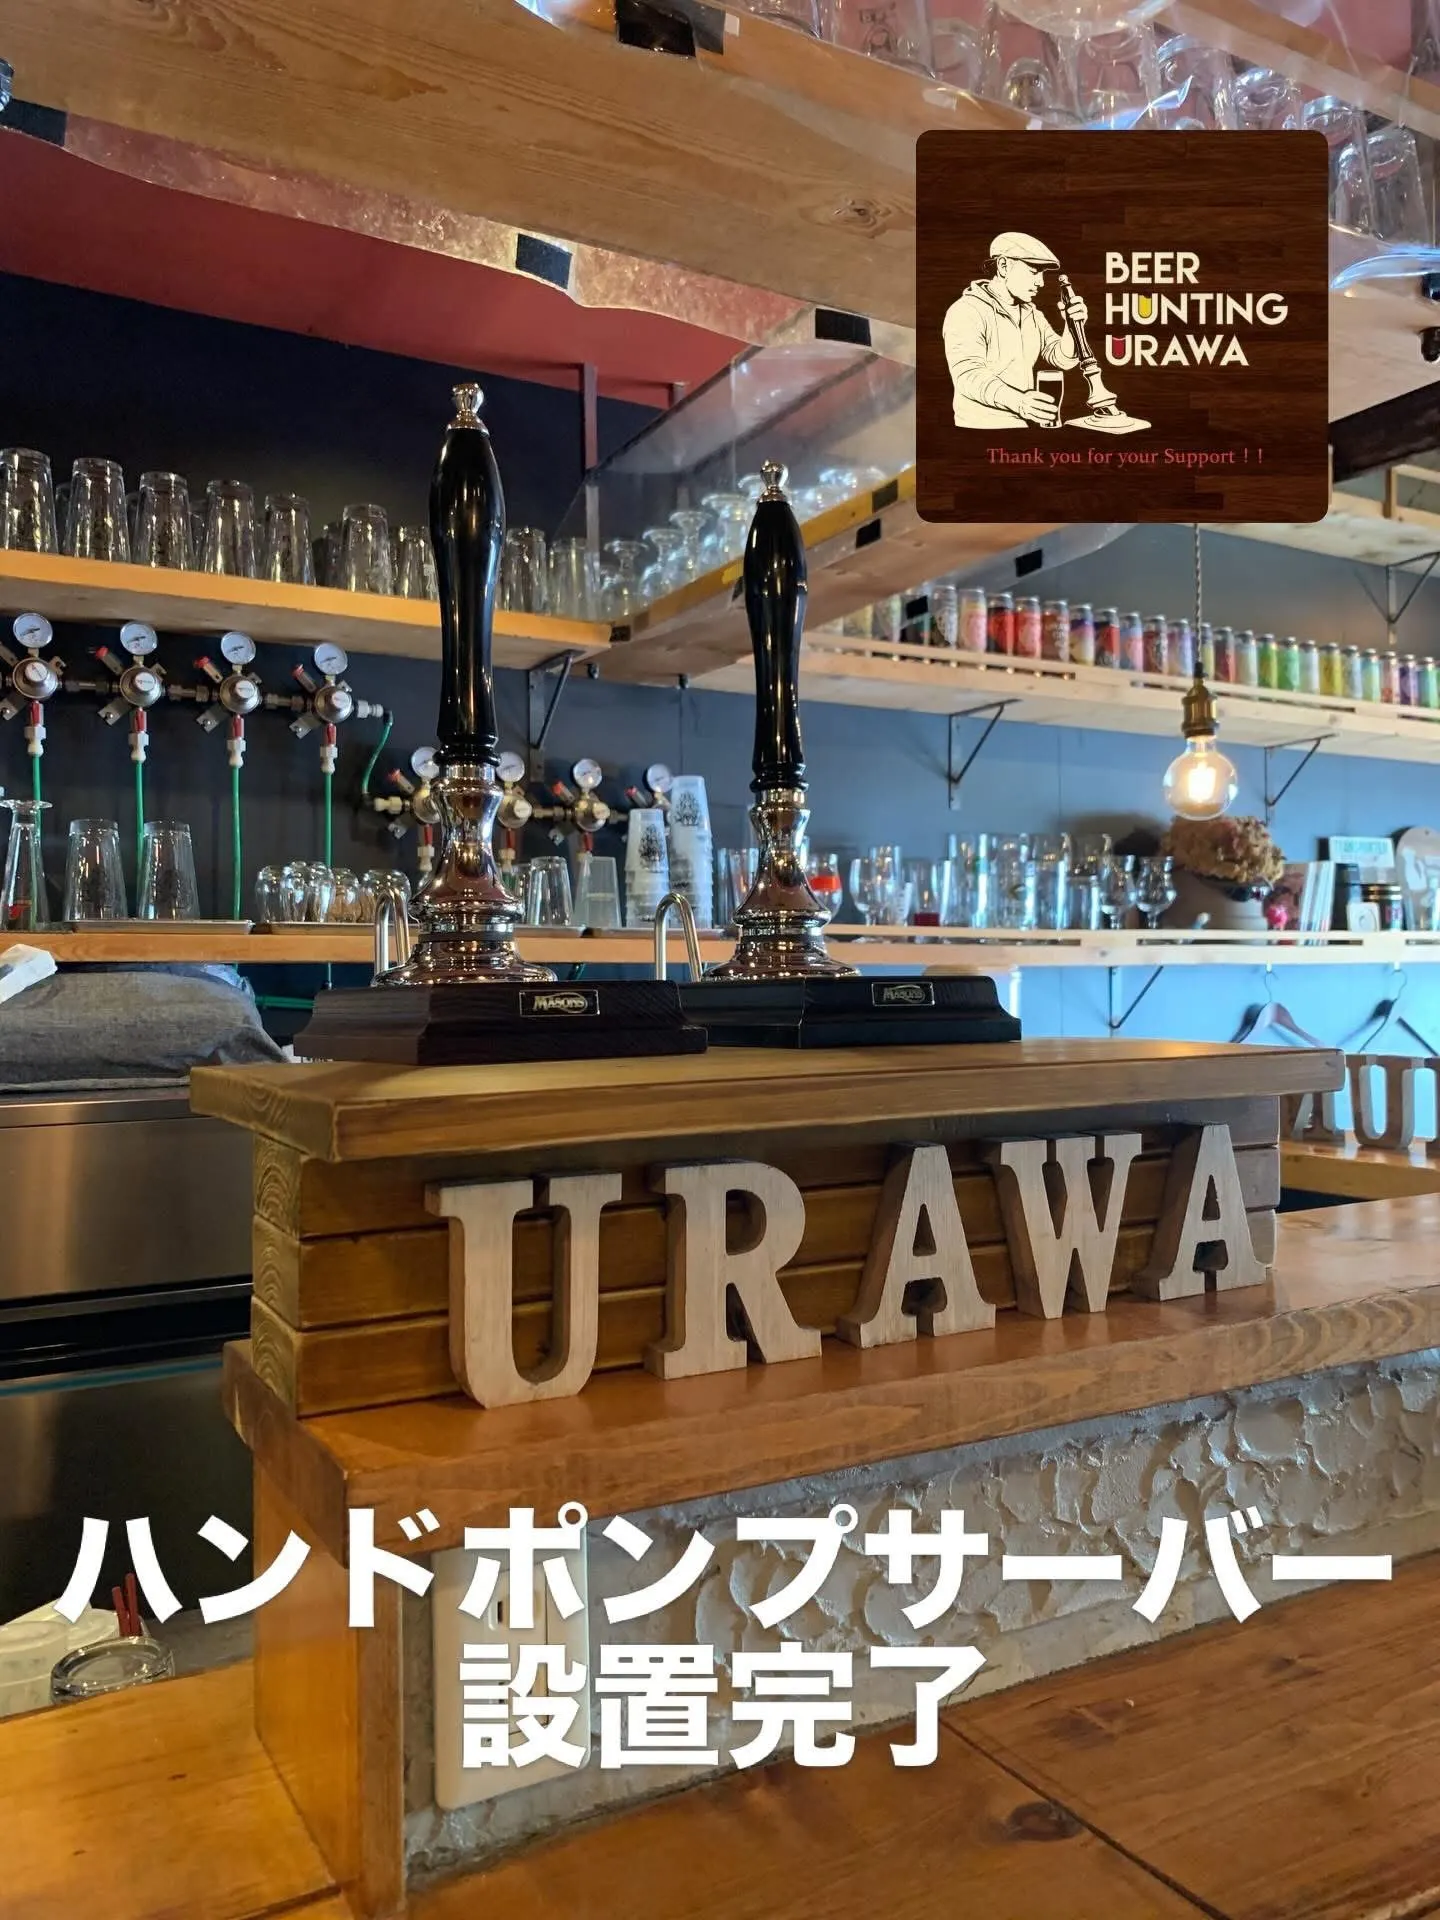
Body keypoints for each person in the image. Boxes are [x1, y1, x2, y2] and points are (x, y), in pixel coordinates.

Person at [942, 233, 1088, 429]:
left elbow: (1061, 358)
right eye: (1033, 272)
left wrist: (1071, 326)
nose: (1041, 283)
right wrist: (1019, 402)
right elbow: (968, 375)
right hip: (980, 429)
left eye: (1043, 274)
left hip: (1022, 426)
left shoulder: (1031, 313)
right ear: (1003, 266)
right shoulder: (966, 311)